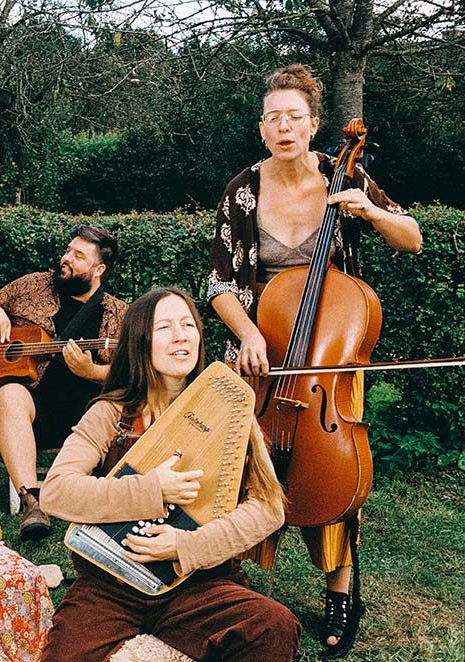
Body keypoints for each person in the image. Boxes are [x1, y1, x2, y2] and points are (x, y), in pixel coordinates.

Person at [206, 63, 422, 656]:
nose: (283, 127)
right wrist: (249, 333)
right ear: (261, 127)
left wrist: (372, 212)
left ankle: (341, 592)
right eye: (273, 117)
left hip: (327, 353)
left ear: (313, 124)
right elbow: (219, 283)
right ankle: (231, 586)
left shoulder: (344, 176)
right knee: (241, 467)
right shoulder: (242, 190)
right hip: (261, 349)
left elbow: (412, 237)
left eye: (294, 117)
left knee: (329, 468)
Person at [40, 287, 300, 661]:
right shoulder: (112, 414)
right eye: (164, 327)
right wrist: (153, 490)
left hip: (197, 585)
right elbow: (56, 492)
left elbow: (268, 508)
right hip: (110, 584)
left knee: (274, 626)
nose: (181, 336)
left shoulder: (230, 411)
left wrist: (186, 546)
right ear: (140, 342)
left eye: (188, 325)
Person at [0, 226, 127, 540]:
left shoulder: (117, 313)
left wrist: (92, 372)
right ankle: (32, 502)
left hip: (89, 418)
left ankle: (97, 497)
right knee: (8, 394)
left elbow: (130, 372)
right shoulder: (34, 285)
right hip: (35, 412)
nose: (66, 258)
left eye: (78, 255)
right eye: (68, 250)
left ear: (99, 270)